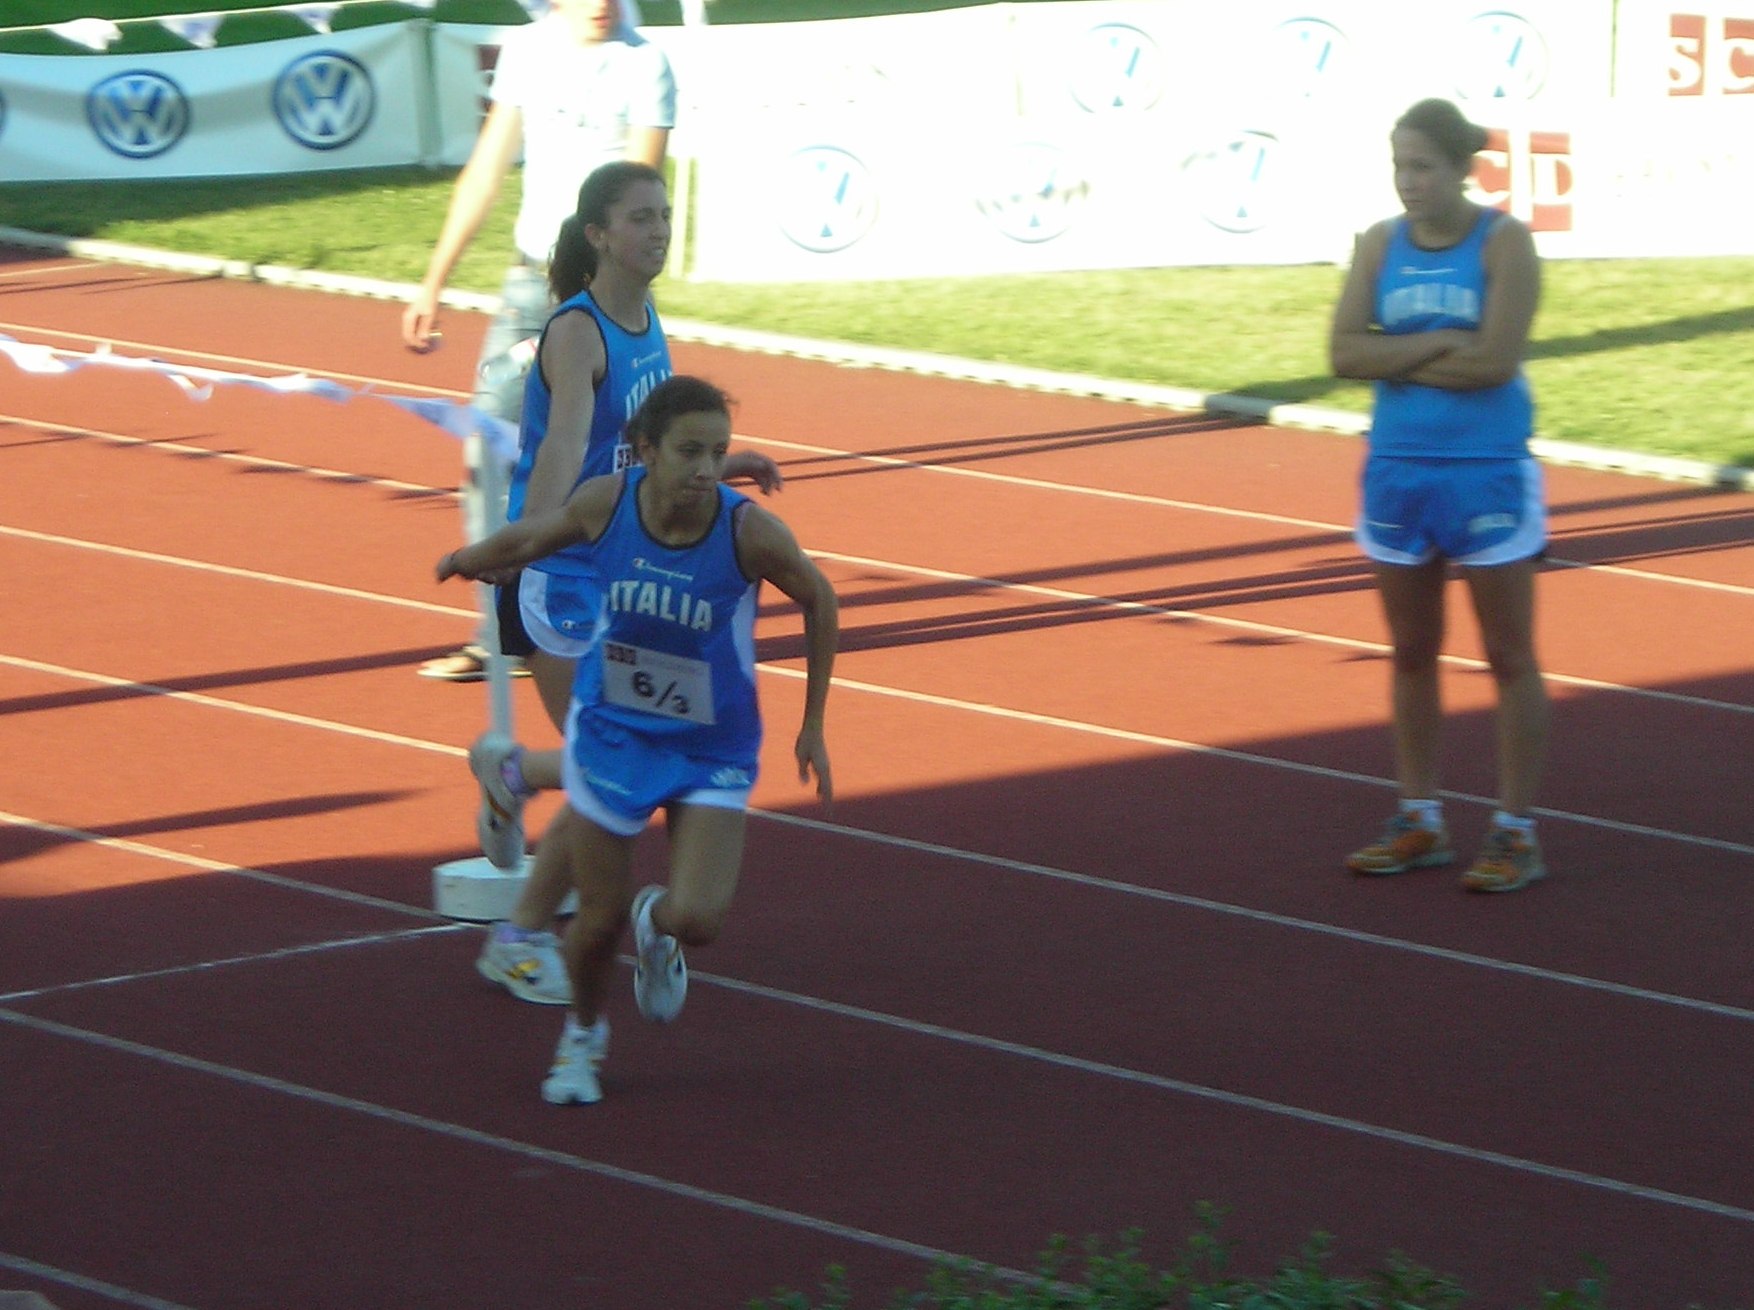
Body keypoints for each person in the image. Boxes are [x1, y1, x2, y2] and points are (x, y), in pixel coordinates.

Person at [437, 375, 838, 1104]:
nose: (707, 470)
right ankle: (582, 1039)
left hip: (710, 746)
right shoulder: (609, 503)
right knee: (594, 922)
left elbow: (821, 598)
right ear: (645, 450)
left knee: (700, 919)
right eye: (690, 451)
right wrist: (474, 556)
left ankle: (660, 923)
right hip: (616, 733)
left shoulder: (747, 531)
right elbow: (537, 534)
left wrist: (813, 723)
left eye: (718, 452)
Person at [467, 162, 782, 1007]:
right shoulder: (578, 332)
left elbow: (649, 440)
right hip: (562, 577)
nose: (659, 229)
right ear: (599, 235)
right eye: (641, 217)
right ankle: (519, 935)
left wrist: (719, 465)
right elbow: (565, 446)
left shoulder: (645, 319)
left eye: (666, 214)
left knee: (617, 758)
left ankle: (514, 776)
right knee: (614, 766)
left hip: (626, 572)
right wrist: (523, 543)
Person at [403, 0, 676, 683]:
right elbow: (487, 168)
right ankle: (504, 627)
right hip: (530, 288)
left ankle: (614, 618)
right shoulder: (527, 52)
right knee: (488, 450)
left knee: (605, 464)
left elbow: (638, 204)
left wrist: (599, 305)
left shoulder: (646, 65)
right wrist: (433, 282)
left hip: (598, 297)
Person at [1329, 97, 1549, 894]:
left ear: (1463, 170)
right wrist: (1438, 345)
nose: (1408, 181)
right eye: (1399, 165)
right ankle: (1419, 817)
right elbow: (1344, 353)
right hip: (1398, 471)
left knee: (1508, 657)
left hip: (1485, 469)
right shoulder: (1377, 245)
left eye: (1423, 166)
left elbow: (1495, 364)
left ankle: (1515, 831)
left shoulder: (1505, 244)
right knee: (1413, 653)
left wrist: (1397, 357)